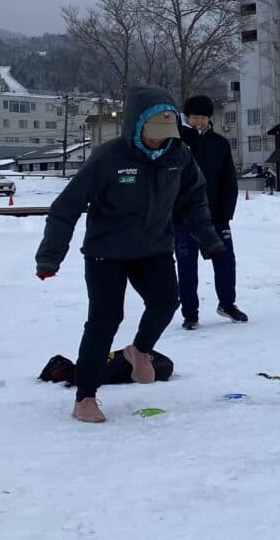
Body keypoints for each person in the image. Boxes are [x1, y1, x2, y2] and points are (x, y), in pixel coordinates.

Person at [35, 86, 226, 424]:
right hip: (106, 252)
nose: (159, 141)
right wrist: (50, 257)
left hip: (153, 248)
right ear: (136, 127)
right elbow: (66, 207)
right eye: (153, 134)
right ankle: (86, 397)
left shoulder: (178, 156)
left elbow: (194, 200)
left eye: (165, 134)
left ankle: (138, 349)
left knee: (167, 301)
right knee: (105, 320)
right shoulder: (109, 157)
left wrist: (209, 240)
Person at [175, 95, 246, 329]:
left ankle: (227, 304)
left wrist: (226, 212)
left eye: (204, 117)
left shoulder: (219, 143)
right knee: (187, 266)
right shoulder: (174, 140)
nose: (199, 121)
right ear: (186, 116)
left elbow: (229, 181)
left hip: (216, 216)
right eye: (195, 117)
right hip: (184, 217)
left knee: (226, 262)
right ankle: (190, 313)